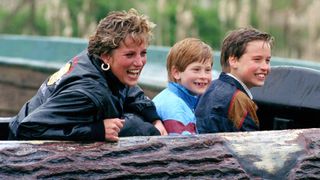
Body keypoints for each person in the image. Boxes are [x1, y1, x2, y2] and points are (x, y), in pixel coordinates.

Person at [8, 9, 167, 141]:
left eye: (143, 53)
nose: (139, 62)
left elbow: (129, 89)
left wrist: (154, 118)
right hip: (21, 157)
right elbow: (28, 128)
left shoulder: (98, 62)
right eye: (130, 55)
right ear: (106, 56)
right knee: (136, 127)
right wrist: (97, 130)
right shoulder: (88, 93)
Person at [195, 27, 274, 133]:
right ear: (233, 61)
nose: (265, 67)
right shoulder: (239, 100)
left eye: (267, 60)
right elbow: (251, 145)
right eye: (257, 59)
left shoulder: (209, 88)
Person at [153, 38, 213, 135]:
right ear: (176, 73)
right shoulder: (175, 108)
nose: (203, 76)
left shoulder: (173, 97)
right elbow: (183, 147)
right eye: (196, 69)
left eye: (207, 70)